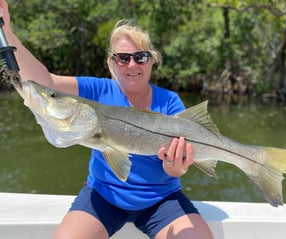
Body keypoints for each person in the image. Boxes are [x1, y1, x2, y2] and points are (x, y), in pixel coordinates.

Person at [0, 1, 214, 239]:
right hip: (103, 196)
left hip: (162, 199)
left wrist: (176, 167)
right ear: (112, 62)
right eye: (122, 58)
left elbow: (173, 170)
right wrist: (6, 30)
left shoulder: (170, 102)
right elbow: (46, 83)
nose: (132, 64)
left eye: (140, 57)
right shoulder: (96, 90)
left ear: (153, 60)